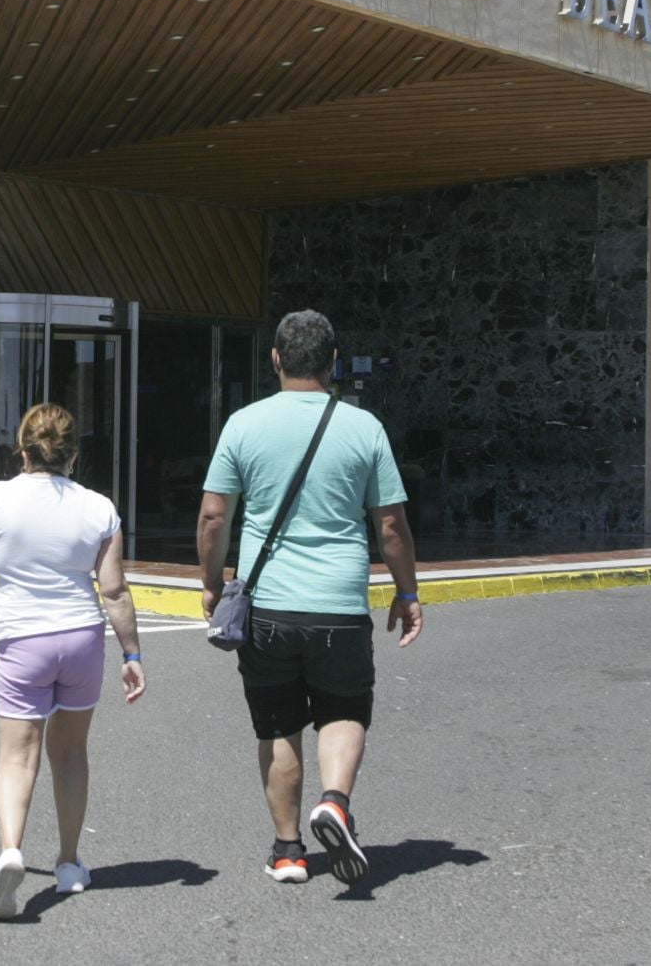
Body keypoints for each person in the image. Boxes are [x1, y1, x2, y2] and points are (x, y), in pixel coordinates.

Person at [196, 309, 423, 886]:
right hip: (340, 606)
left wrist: (211, 581)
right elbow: (391, 526)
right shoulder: (363, 428)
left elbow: (213, 516)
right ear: (334, 360)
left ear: (274, 359)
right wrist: (407, 591)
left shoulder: (243, 425)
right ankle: (336, 802)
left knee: (277, 725)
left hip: (267, 606)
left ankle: (289, 850)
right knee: (343, 711)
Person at [0, 403, 146, 922]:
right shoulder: (98, 507)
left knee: (17, 756)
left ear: (21, 449)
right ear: (72, 455)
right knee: (71, 754)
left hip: (21, 639)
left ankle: (11, 849)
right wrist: (132, 653)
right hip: (80, 637)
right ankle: (70, 863)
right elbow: (115, 590)